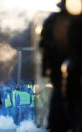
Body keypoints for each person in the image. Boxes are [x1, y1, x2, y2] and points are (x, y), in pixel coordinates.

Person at [39, 0, 72, 131]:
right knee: (58, 108)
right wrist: (45, 67)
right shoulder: (53, 21)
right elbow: (44, 46)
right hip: (59, 73)